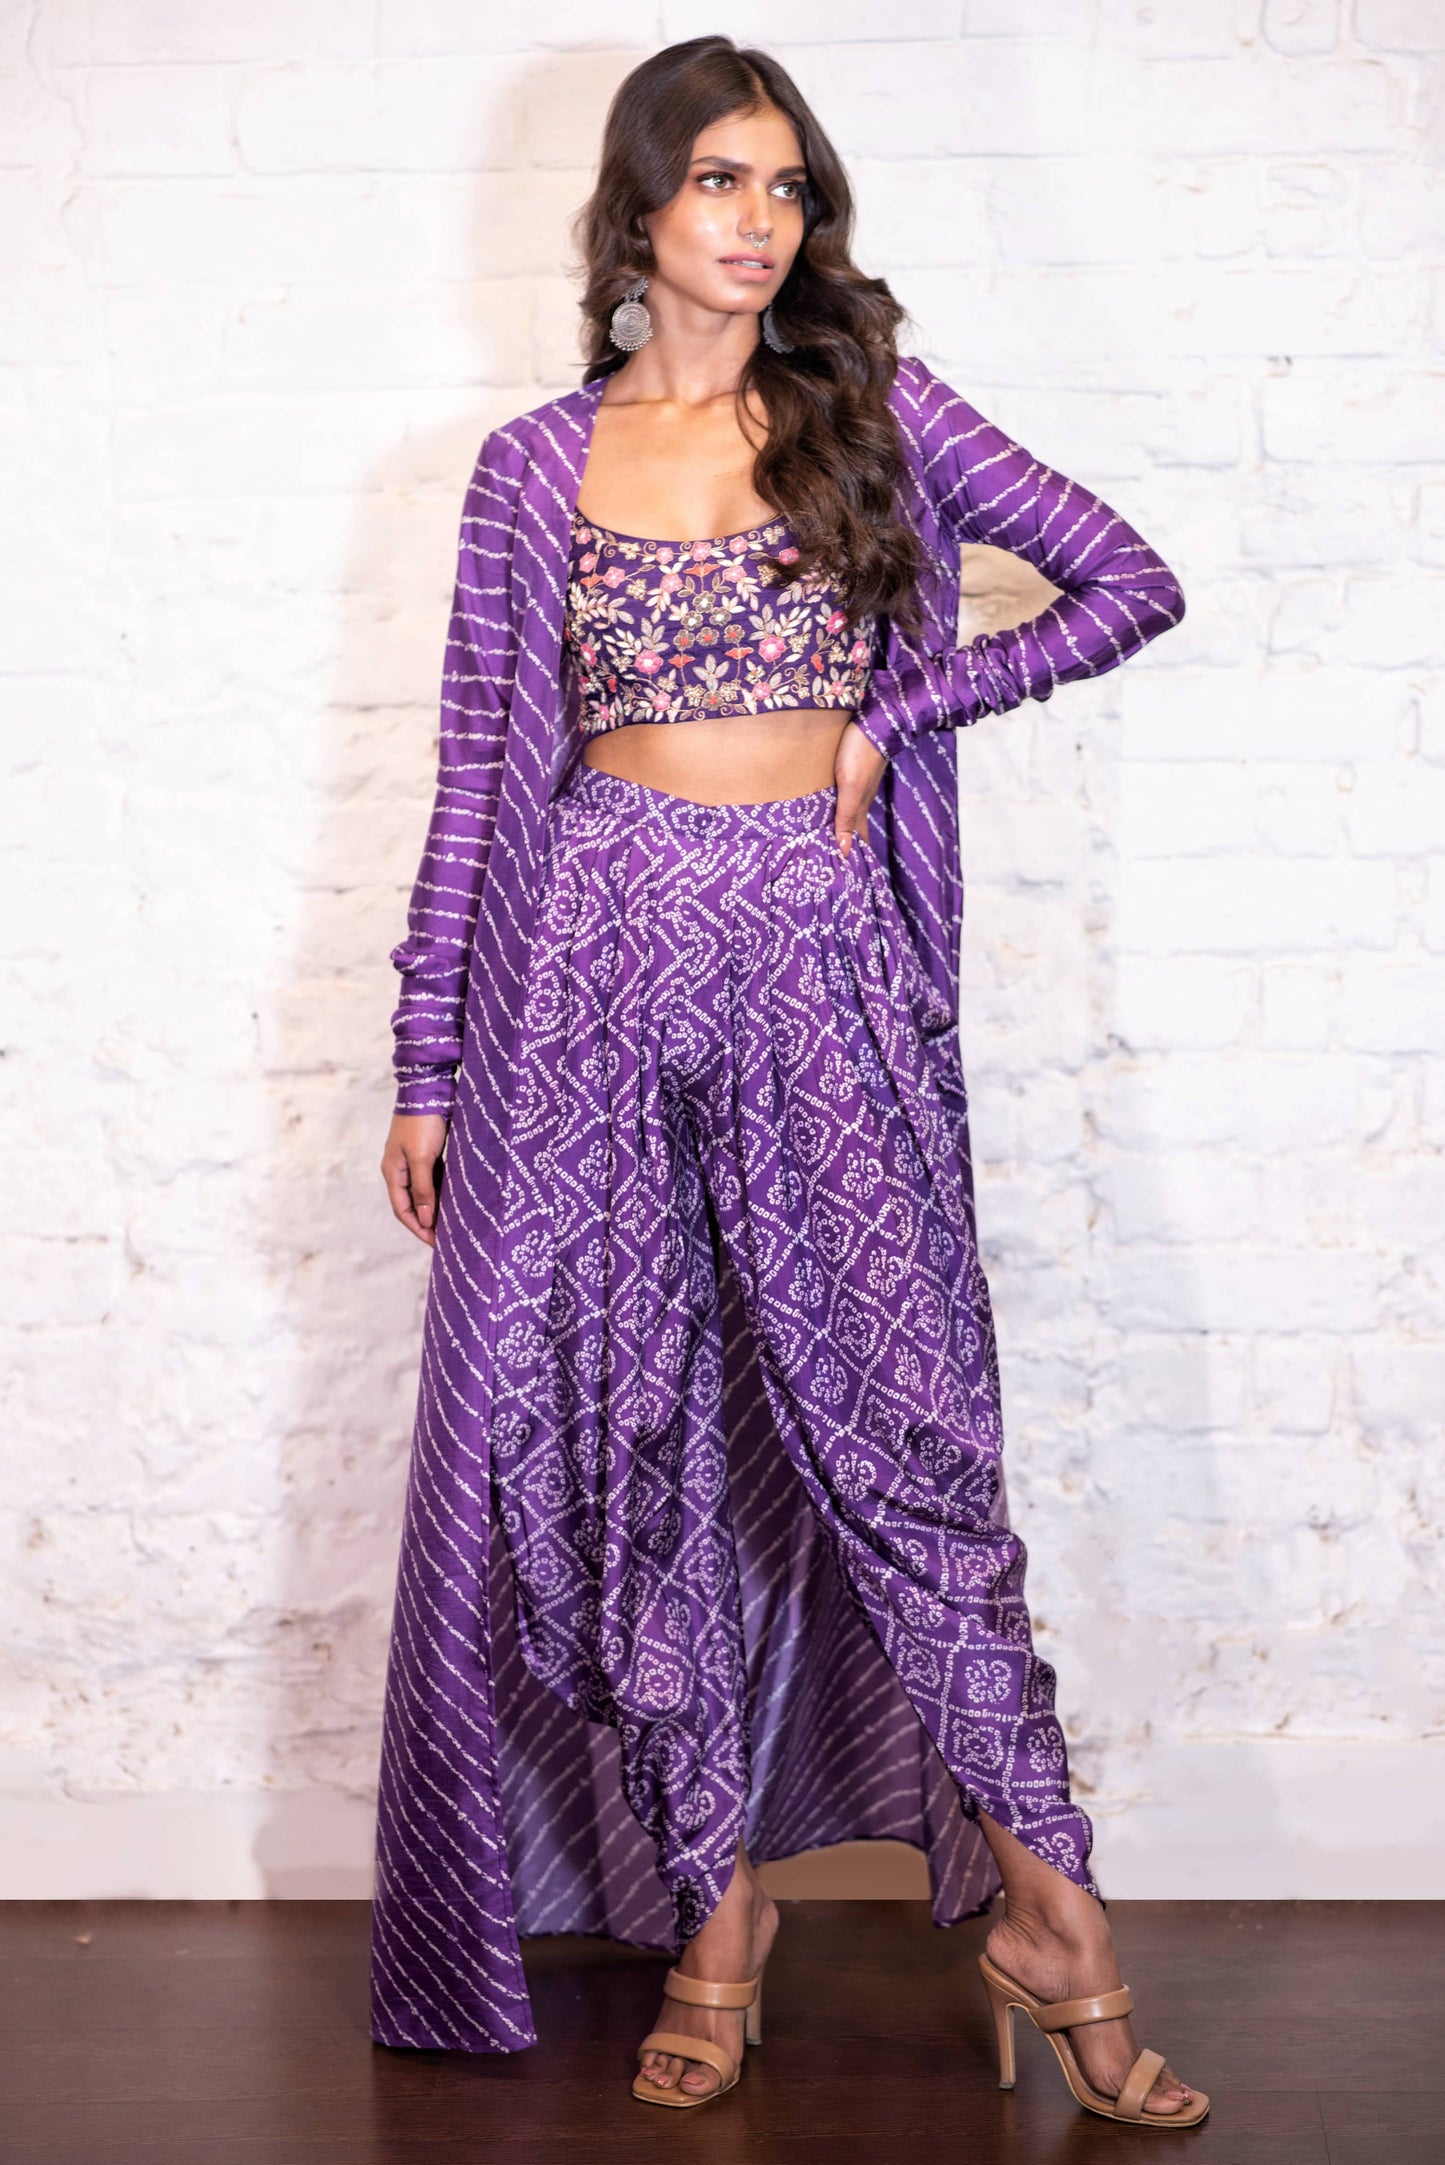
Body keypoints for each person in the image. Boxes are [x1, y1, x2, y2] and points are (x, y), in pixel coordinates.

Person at [372, 34, 1205, 2130]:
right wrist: (426, 1061)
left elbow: (1128, 579)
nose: (760, 222)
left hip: (815, 960)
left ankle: (1052, 1909)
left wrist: (898, 712)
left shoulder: (873, 413)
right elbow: (476, 779)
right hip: (583, 977)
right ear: (637, 209)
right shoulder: (531, 468)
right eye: (721, 182)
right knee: (634, 1442)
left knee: (906, 1431)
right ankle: (714, 1918)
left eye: (790, 188)